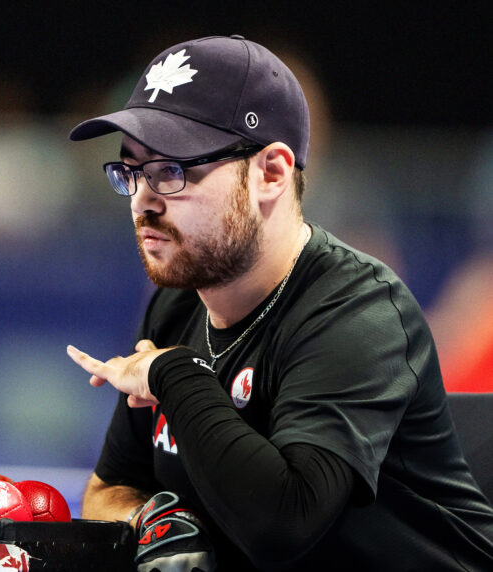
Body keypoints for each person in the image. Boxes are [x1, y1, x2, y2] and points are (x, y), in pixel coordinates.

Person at [66, 35, 493, 571]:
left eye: (171, 171)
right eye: (130, 171)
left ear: (270, 172)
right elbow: (109, 487)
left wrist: (174, 375)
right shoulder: (176, 306)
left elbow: (282, 526)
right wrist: (152, 518)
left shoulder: (360, 313)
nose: (143, 200)